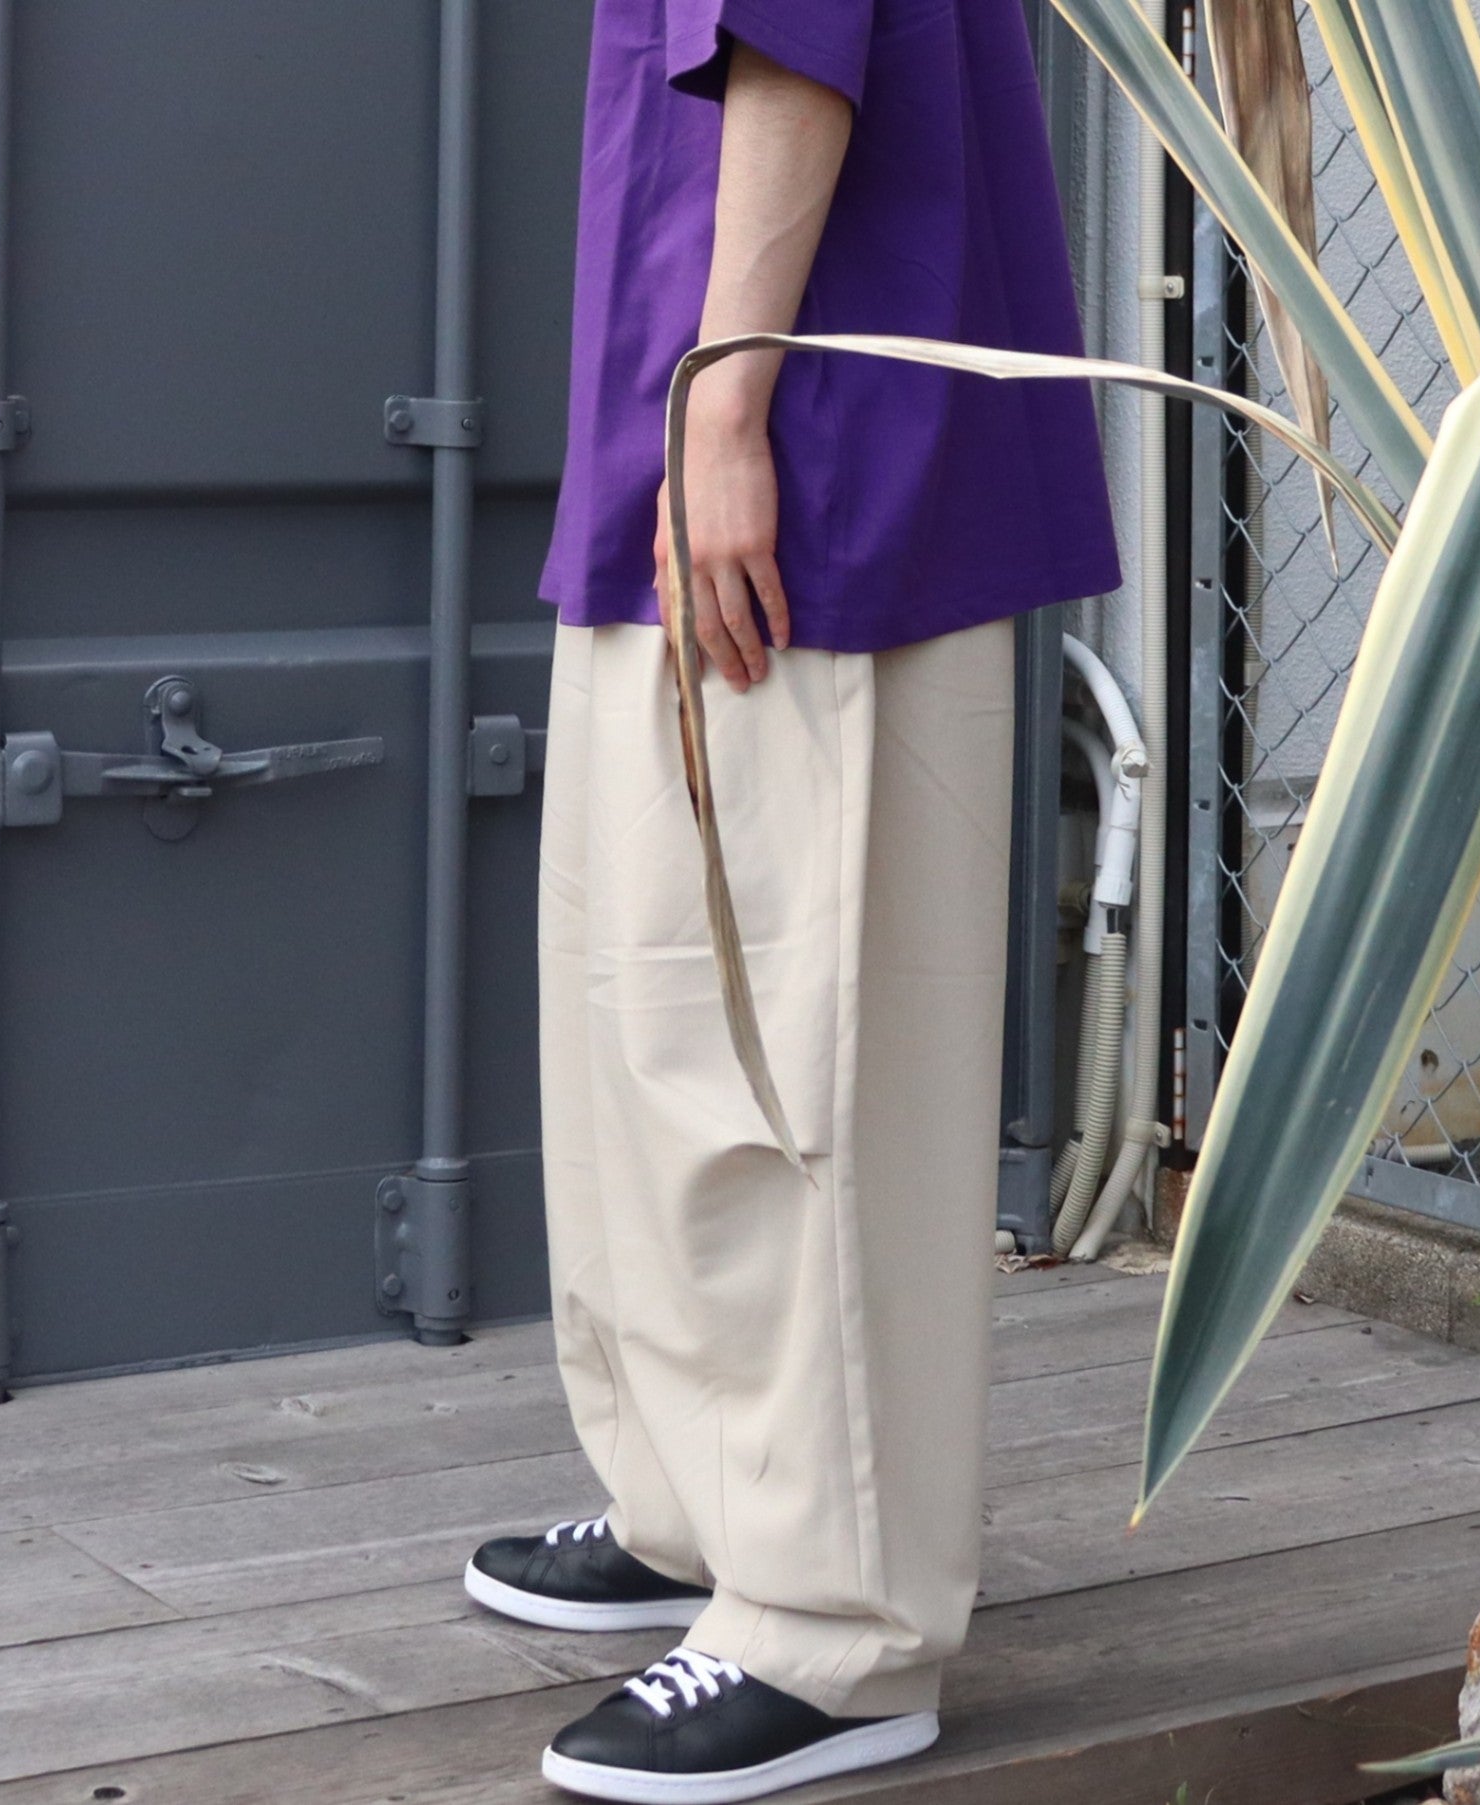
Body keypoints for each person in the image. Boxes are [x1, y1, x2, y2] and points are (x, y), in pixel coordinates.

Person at [465, 3, 1120, 1799]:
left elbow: (796, 37)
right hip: (688, 413)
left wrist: (730, 399)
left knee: (788, 1055)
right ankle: (699, 1511)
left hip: (810, 438)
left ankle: (832, 1631)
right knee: (646, 1006)